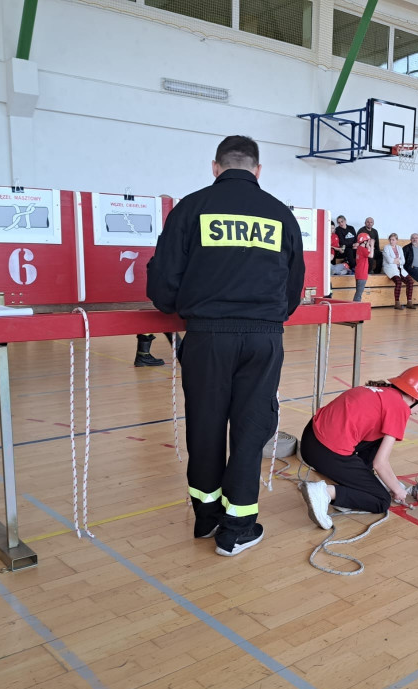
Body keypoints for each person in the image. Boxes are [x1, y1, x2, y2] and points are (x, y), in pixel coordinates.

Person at [147, 135, 304, 557]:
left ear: (215, 168)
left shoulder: (190, 208)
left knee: (205, 425)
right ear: (257, 170)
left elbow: (162, 283)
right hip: (263, 337)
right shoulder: (279, 214)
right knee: (251, 429)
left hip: (208, 336)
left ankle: (206, 517)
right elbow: (294, 287)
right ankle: (237, 529)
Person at [299, 367, 418, 526]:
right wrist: (397, 490)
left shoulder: (380, 390)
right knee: (381, 501)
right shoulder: (399, 408)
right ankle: (325, 492)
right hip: (325, 451)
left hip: (311, 438)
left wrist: (387, 482)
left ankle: (352, 493)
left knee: (379, 438)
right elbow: (380, 463)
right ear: (414, 398)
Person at [383, 233, 416, 310]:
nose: (391, 241)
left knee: (410, 282)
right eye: (390, 239)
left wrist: (396, 261)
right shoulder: (386, 247)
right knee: (398, 282)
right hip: (390, 268)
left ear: (396, 240)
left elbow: (403, 261)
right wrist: (397, 260)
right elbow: (389, 260)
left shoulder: (399, 248)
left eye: (393, 240)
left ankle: (409, 302)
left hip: (400, 268)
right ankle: (397, 303)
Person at [353, 232, 371, 301]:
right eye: (368, 241)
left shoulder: (359, 248)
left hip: (359, 273)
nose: (369, 242)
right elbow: (371, 255)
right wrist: (371, 246)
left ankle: (356, 307)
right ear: (365, 241)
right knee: (358, 294)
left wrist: (368, 246)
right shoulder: (362, 249)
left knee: (358, 293)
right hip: (362, 274)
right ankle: (356, 308)